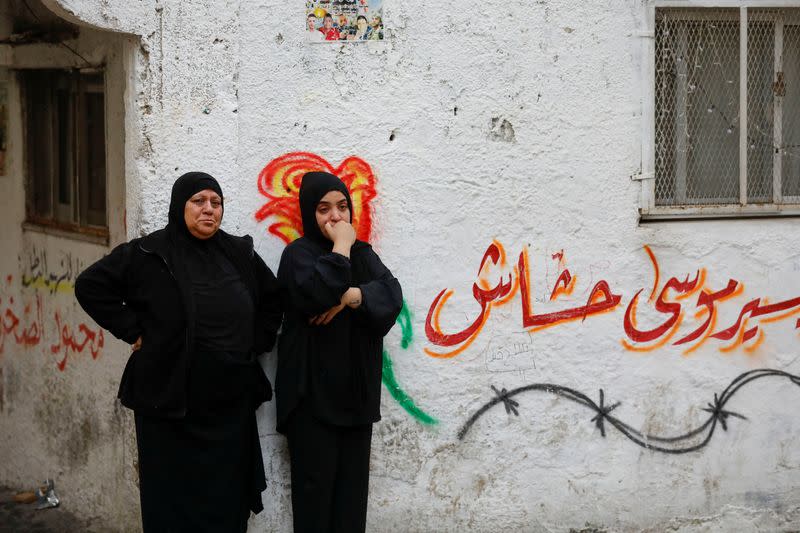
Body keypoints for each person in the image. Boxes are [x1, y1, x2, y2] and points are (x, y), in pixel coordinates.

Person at [75, 172, 282, 532]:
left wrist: (254, 342)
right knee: (172, 504)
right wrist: (131, 329)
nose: (209, 210)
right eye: (198, 201)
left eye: (215, 203)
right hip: (169, 406)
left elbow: (274, 299)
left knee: (227, 501)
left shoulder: (239, 253)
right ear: (179, 205)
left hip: (228, 408)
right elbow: (90, 286)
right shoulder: (147, 254)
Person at [275, 171, 402, 533]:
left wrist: (352, 296)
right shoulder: (298, 255)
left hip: (356, 398)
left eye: (343, 207)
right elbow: (316, 294)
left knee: (351, 501)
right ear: (308, 213)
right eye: (324, 208)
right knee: (314, 501)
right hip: (311, 400)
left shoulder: (364, 255)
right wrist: (342, 246)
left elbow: (391, 296)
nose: (335, 217)